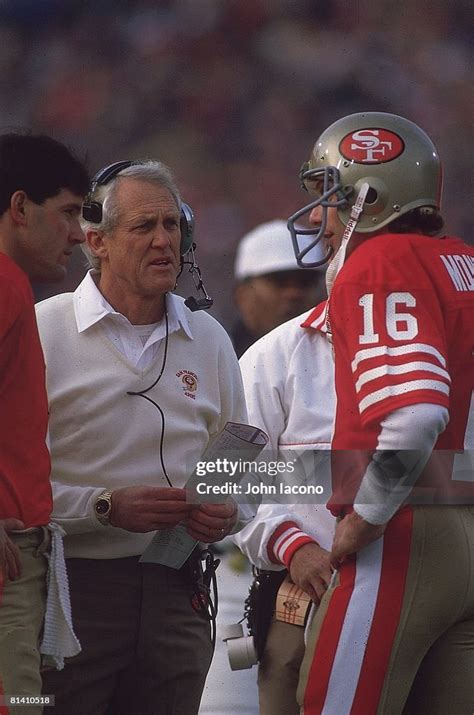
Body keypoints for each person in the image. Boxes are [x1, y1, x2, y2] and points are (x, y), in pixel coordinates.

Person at [37, 160, 252, 715]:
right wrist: (102, 507)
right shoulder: (42, 330)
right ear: (96, 241)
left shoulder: (209, 337)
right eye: (142, 227)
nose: (164, 241)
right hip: (68, 587)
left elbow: (247, 468)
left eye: (172, 225)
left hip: (178, 590)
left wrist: (228, 512)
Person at [287, 111, 474, 714]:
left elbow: (417, 412)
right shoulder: (460, 262)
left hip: (406, 530)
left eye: (331, 195)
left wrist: (364, 517)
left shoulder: (380, 262)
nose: (319, 215)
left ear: (371, 197)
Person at [0, 132, 89, 713]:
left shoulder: (206, 340)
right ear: (20, 207)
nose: (80, 234)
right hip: (14, 556)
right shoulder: (8, 284)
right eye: (70, 213)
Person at [231, 298, 337, 715]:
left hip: (426, 596)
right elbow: (224, 480)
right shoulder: (271, 355)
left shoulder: (449, 344)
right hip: (300, 595)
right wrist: (294, 546)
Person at [231, 220, 325, 357]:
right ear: (242, 295)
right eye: (279, 281)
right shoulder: (217, 360)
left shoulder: (336, 357)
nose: (294, 293)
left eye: (306, 282)